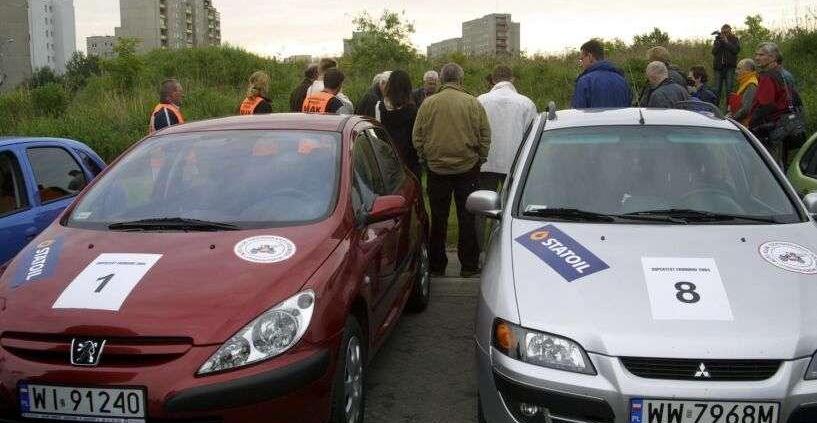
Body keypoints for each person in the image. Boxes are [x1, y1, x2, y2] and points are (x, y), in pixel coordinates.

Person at [413, 63, 490, 278]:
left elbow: (417, 135)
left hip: (437, 169)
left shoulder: (428, 104)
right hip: (467, 167)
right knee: (467, 217)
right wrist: (480, 158)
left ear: (441, 79)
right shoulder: (473, 103)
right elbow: (485, 134)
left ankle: (437, 266)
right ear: (461, 80)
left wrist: (424, 157)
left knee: (438, 218)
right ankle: (468, 265)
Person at [475, 65, 537, 248]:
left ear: (493, 80)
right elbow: (530, 135)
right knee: (510, 210)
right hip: (514, 164)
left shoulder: (480, 100)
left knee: (481, 210)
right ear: (512, 80)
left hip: (486, 162)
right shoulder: (527, 103)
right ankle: (505, 248)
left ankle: (478, 251)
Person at [750, 42, 792, 169]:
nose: (757, 57)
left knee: (768, 168)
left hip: (769, 129)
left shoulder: (768, 76)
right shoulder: (781, 74)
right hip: (781, 127)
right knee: (778, 164)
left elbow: (766, 105)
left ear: (773, 57)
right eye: (756, 54)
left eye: (761, 55)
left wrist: (752, 123)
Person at [376, 70, 420, 178]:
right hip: (409, 162)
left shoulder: (379, 107)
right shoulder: (412, 110)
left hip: (387, 159)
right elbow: (416, 136)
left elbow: (377, 134)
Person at [571, 39, 631, 108]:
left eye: (582, 59)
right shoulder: (622, 80)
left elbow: (578, 114)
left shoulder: (584, 82)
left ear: (590, 57)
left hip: (593, 119)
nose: (581, 64)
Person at [712, 24, 741, 105]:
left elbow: (736, 50)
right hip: (718, 68)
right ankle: (715, 109)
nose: (724, 34)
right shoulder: (717, 40)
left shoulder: (734, 39)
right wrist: (720, 42)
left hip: (729, 68)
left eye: (726, 32)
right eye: (723, 32)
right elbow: (713, 52)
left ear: (730, 31)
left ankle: (729, 110)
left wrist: (726, 42)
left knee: (729, 90)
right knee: (717, 90)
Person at [727, 58, 758, 126]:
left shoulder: (751, 84)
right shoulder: (745, 82)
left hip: (744, 126)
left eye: (739, 69)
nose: (736, 71)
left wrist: (732, 119)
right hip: (739, 123)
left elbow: (746, 109)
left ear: (747, 70)